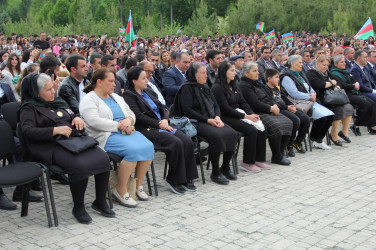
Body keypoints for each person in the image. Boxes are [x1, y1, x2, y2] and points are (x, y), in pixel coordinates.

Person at [19, 73, 114, 224]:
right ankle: (78, 207)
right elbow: (27, 132)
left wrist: (76, 117)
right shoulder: (29, 108)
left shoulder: (56, 101)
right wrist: (54, 130)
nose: (53, 92)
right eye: (48, 89)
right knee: (80, 166)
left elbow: (71, 112)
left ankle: (100, 201)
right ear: (37, 93)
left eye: (52, 88)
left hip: (72, 139)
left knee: (103, 158)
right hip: (49, 145)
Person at [79, 68, 154, 207]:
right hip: (106, 135)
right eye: (111, 81)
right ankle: (121, 190)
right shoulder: (89, 99)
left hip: (126, 131)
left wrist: (129, 121)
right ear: (99, 82)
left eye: (115, 81)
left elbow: (131, 113)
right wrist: (118, 125)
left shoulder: (116, 97)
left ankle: (137, 185)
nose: (114, 84)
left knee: (148, 146)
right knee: (133, 151)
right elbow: (93, 121)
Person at [123, 66, 198, 194]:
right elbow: (139, 116)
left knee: (187, 141)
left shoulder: (148, 91)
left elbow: (162, 108)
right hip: (147, 129)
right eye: (143, 78)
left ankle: (186, 178)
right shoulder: (129, 95)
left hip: (162, 125)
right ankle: (174, 179)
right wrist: (159, 124)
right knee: (175, 143)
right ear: (134, 81)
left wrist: (165, 120)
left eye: (147, 78)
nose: (147, 80)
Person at [171, 62, 238, 185]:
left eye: (206, 73)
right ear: (194, 74)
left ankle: (225, 167)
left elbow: (216, 105)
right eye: (203, 73)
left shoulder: (205, 87)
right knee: (217, 136)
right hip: (195, 121)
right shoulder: (187, 88)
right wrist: (208, 120)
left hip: (211, 119)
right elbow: (188, 111)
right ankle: (215, 172)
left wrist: (217, 116)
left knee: (232, 133)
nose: (206, 76)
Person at [211, 61, 270, 173]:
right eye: (232, 70)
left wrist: (251, 114)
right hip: (226, 117)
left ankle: (259, 159)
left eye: (235, 70)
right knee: (251, 130)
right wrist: (245, 116)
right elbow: (225, 108)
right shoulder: (217, 88)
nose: (235, 73)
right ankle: (247, 162)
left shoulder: (234, 85)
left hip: (239, 113)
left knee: (262, 127)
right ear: (224, 72)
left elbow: (243, 103)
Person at [239, 62, 292, 165]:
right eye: (254, 71)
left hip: (267, 108)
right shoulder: (244, 85)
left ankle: (280, 153)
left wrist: (274, 105)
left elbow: (268, 96)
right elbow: (254, 103)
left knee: (288, 122)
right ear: (246, 73)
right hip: (257, 112)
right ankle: (276, 155)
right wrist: (270, 108)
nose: (258, 73)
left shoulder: (257, 83)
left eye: (257, 70)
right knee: (276, 126)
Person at [280, 55, 334, 150]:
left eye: (301, 62)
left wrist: (313, 93)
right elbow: (293, 93)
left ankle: (318, 139)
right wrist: (309, 96)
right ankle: (312, 139)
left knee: (330, 115)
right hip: (299, 103)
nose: (302, 64)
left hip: (309, 101)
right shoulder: (286, 76)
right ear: (292, 63)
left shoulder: (300, 74)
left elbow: (309, 86)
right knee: (321, 118)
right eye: (299, 62)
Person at [306, 55, 354, 146]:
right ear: (317, 63)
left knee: (349, 107)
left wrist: (337, 85)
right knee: (339, 110)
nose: (325, 67)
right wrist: (331, 83)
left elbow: (338, 81)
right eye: (323, 65)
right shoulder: (311, 73)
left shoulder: (327, 72)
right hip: (320, 99)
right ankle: (333, 135)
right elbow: (319, 85)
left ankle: (343, 132)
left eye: (327, 65)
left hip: (332, 98)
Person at [264, 68, 310, 156]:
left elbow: (285, 98)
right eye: (276, 77)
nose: (278, 79)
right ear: (269, 79)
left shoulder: (278, 88)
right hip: (279, 110)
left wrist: (291, 106)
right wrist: (287, 107)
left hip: (286, 107)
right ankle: (289, 145)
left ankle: (298, 142)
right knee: (295, 121)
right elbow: (272, 102)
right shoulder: (266, 89)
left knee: (306, 119)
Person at [331, 55, 376, 135]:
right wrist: (353, 86)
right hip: (345, 94)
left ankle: (363, 125)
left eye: (344, 61)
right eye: (341, 62)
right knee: (365, 104)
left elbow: (353, 80)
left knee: (371, 103)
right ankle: (359, 124)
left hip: (353, 92)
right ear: (336, 64)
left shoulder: (345, 71)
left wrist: (356, 83)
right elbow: (342, 85)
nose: (344, 63)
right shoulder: (334, 73)